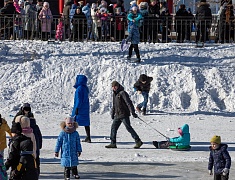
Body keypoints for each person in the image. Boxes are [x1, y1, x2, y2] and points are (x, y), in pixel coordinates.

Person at [105, 81, 143, 149]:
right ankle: (113, 143)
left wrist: (133, 112)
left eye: (115, 86)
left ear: (118, 86)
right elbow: (114, 105)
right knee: (113, 128)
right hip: (117, 115)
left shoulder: (123, 93)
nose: (114, 88)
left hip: (124, 114)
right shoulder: (115, 94)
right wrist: (113, 113)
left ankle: (138, 141)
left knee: (128, 128)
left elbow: (129, 103)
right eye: (113, 87)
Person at [71, 75, 91, 143]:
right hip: (85, 108)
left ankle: (72, 137)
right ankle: (88, 137)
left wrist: (77, 108)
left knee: (73, 122)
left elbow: (79, 100)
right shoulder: (85, 88)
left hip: (80, 108)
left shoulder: (79, 89)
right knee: (86, 123)